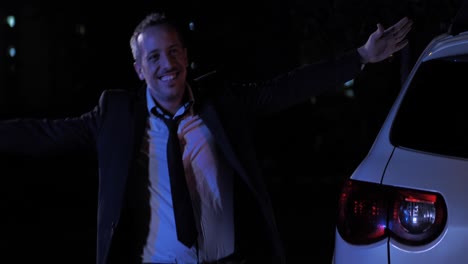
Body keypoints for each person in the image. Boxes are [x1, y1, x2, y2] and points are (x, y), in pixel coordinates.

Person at [0, 11, 412, 264]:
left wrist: (359, 57)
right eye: (155, 56)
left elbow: (290, 87)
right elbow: (44, 134)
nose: (169, 64)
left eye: (175, 51)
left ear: (186, 55)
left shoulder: (223, 103)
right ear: (139, 68)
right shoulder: (117, 115)